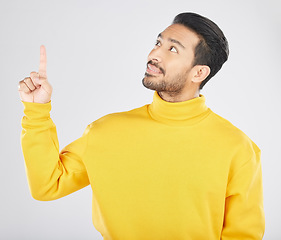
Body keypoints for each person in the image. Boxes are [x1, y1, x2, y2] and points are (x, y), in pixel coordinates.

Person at [18, 12, 265, 240]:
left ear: (199, 72)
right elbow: (48, 186)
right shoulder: (106, 131)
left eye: (173, 49)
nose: (154, 54)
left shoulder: (238, 148)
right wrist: (37, 111)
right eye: (158, 43)